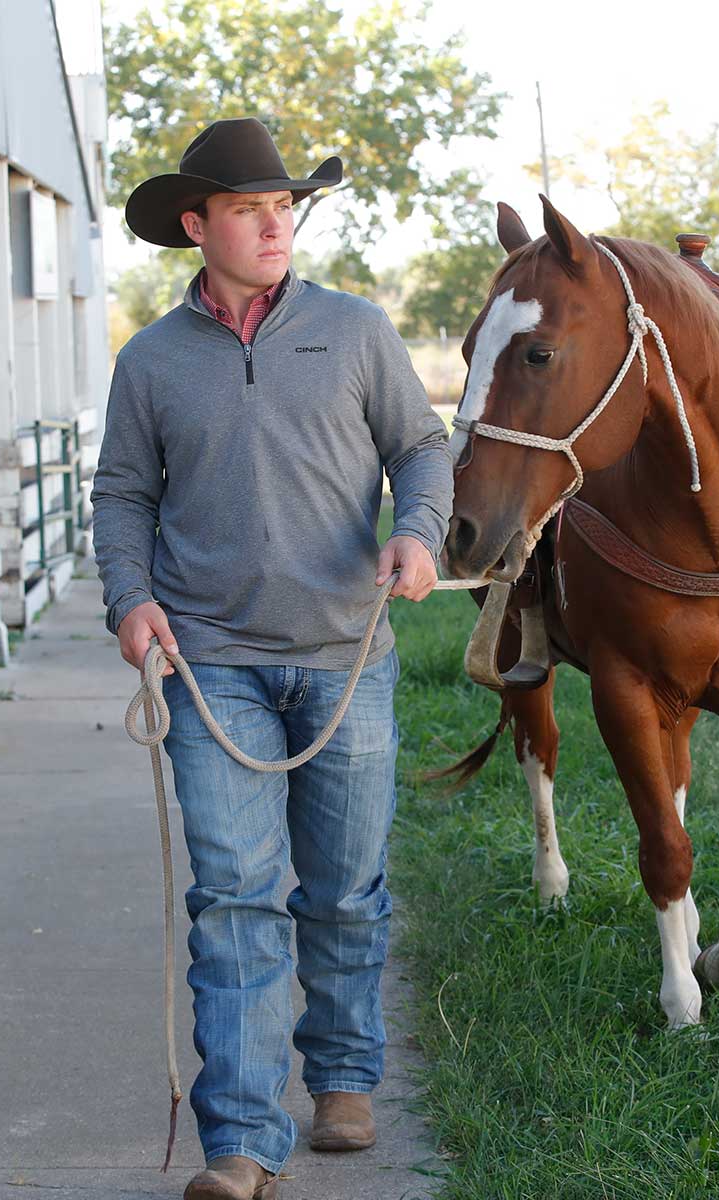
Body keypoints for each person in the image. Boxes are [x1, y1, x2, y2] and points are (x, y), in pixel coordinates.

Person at [90, 117, 452, 1200]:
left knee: (342, 891)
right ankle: (242, 1143)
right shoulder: (149, 363)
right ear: (197, 226)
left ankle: (343, 1073)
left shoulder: (353, 332)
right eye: (251, 210)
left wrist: (419, 531)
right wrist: (130, 598)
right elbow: (122, 495)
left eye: (286, 206)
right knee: (234, 895)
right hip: (214, 666)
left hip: (346, 654)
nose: (276, 224)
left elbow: (421, 446)